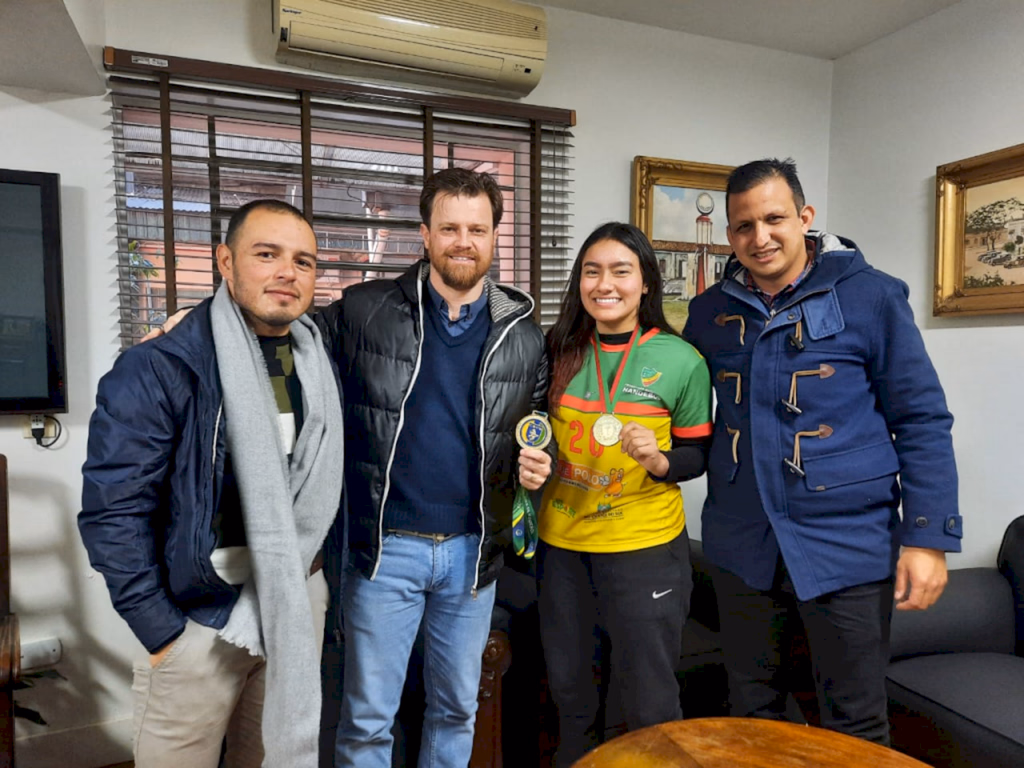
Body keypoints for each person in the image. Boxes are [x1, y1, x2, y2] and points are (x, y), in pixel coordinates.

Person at [682, 158, 962, 745]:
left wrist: (928, 537)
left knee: (854, 723)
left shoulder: (873, 297)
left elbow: (922, 420)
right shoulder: (708, 313)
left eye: (775, 219)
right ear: (729, 234)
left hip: (848, 545)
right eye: (743, 226)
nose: (760, 238)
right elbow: (671, 397)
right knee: (751, 712)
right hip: (742, 544)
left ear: (806, 218)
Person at [79, 200, 344, 768]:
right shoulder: (161, 365)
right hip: (202, 616)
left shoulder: (322, 359)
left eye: (304, 261)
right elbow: (113, 511)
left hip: (295, 602)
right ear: (225, 261)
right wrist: (163, 631)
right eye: (266, 254)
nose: (286, 273)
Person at [317, 167, 553, 768]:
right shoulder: (363, 310)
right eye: (449, 227)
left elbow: (539, 422)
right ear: (425, 234)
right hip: (384, 550)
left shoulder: (523, 333)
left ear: (496, 236)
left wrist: (536, 464)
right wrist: (195, 320)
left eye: (477, 228)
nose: (463, 241)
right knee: (369, 719)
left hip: (473, 557)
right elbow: (278, 329)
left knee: (457, 711)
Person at [537, 222, 713, 767]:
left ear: (644, 283)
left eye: (620, 270)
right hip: (563, 548)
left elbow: (697, 454)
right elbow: (536, 433)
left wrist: (660, 462)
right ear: (579, 282)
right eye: (592, 271)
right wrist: (532, 464)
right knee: (571, 699)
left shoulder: (683, 360)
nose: (604, 283)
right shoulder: (558, 350)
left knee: (649, 703)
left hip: (644, 550)